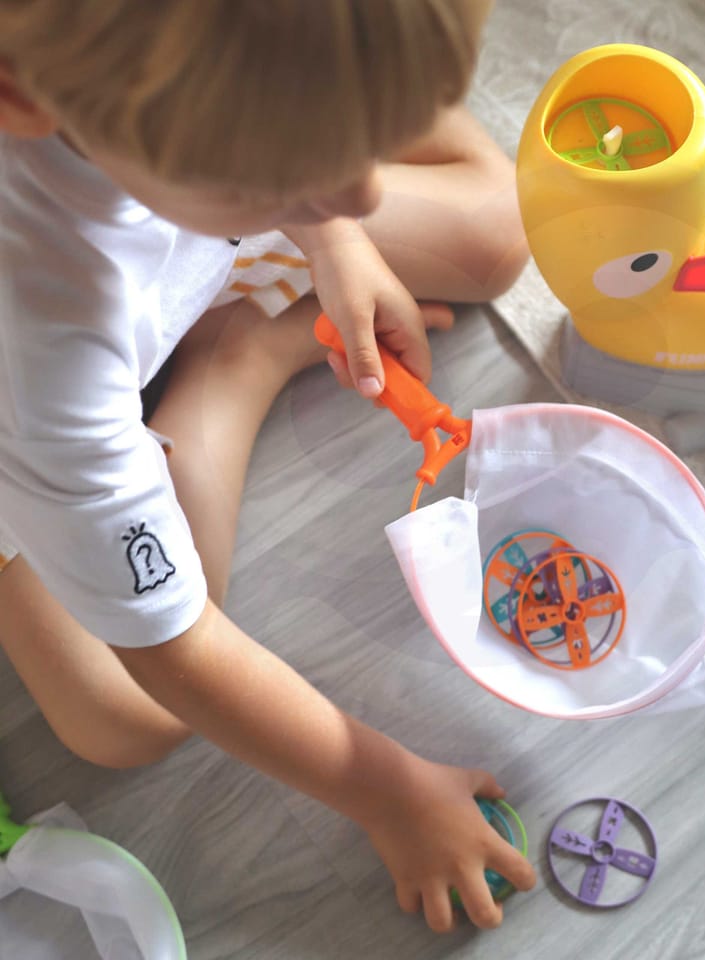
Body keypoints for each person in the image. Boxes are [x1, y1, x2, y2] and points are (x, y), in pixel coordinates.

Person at [0, 0, 536, 933]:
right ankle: (234, 363)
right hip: (29, 441)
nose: (361, 193)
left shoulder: (162, 118)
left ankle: (265, 233)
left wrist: (331, 235)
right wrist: (390, 794)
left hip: (179, 246)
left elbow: (320, 180)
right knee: (125, 715)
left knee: (497, 233)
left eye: (361, 141)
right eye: (294, 168)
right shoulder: (45, 343)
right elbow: (173, 652)